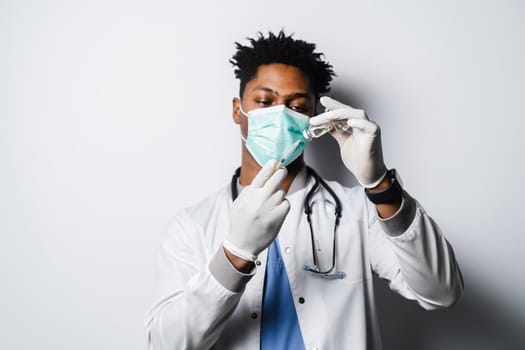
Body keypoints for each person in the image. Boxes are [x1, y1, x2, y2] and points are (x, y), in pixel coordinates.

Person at [144, 30, 463, 350]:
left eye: (297, 106)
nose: (280, 116)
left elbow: (440, 291)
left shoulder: (357, 211)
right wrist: (234, 255)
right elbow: (166, 344)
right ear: (237, 110)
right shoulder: (192, 226)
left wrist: (380, 184)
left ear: (314, 119)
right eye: (265, 101)